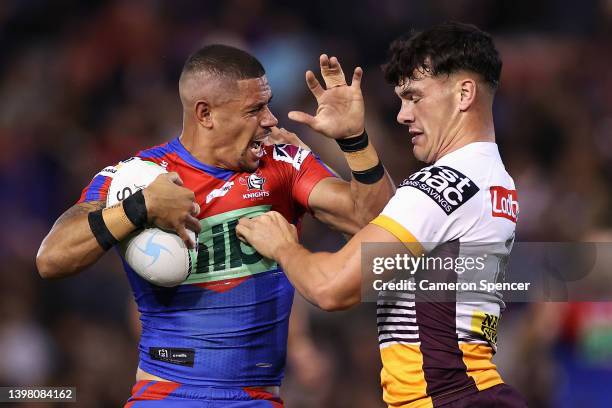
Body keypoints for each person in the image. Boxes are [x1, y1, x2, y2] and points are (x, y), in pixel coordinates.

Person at [36, 44, 394, 406]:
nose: (270, 119)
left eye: (267, 104)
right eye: (255, 110)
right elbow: (51, 258)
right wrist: (138, 208)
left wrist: (355, 141)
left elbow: (380, 224)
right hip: (167, 395)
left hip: (257, 398)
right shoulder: (140, 177)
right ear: (205, 114)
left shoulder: (282, 162)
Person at [237, 23, 528, 407]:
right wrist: (353, 142)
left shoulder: (447, 185)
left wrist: (283, 247)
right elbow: (376, 227)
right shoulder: (490, 178)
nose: (402, 115)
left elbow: (331, 288)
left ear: (464, 93)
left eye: (414, 96)